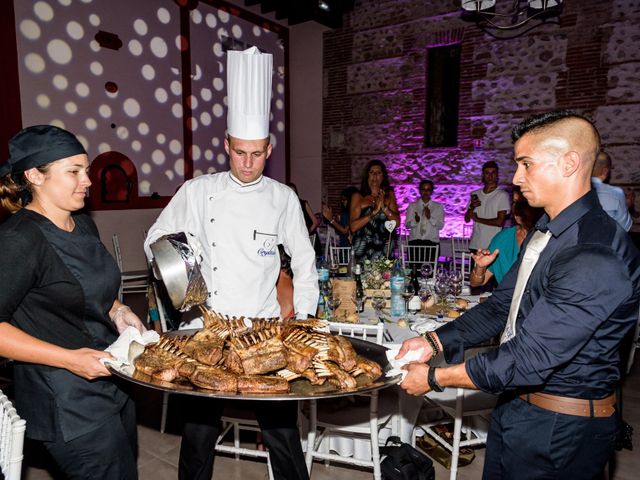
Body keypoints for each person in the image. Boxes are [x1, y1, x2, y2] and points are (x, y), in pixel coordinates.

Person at [397, 111, 640, 479]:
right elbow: (499, 307)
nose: (516, 178)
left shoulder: (594, 251)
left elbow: (531, 358)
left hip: (562, 427)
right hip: (517, 407)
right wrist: (432, 341)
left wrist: (434, 379)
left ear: (569, 163)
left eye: (526, 164)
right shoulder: (546, 231)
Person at [144, 47, 317, 480]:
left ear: (269, 148)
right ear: (225, 145)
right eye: (240, 152)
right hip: (206, 326)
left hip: (261, 329)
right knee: (199, 431)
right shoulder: (198, 191)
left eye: (257, 153)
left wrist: (305, 324)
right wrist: (189, 268)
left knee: (281, 429)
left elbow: (306, 261)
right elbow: (154, 240)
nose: (247, 163)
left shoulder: (283, 198)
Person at [0, 125, 145, 479]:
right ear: (35, 175)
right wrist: (70, 360)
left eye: (87, 169)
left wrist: (119, 311)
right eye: (74, 172)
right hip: (64, 397)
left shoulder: (82, 225)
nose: (89, 181)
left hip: (110, 377)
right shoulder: (19, 240)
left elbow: (92, 291)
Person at [470, 196, 544, 286]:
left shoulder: (547, 238)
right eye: (514, 202)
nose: (515, 206)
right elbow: (476, 283)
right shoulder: (504, 238)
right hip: (506, 298)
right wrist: (480, 268)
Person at [350, 160, 400, 263]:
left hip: (384, 248)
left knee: (384, 278)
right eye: (372, 172)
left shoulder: (389, 195)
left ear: (383, 176)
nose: (375, 176)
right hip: (364, 248)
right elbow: (353, 227)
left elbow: (397, 223)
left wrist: (384, 208)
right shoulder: (358, 197)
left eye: (378, 173)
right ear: (367, 175)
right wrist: (373, 212)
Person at [465, 160, 511, 251]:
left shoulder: (502, 195)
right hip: (475, 243)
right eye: (487, 173)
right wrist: (472, 207)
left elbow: (499, 222)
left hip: (493, 244)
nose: (490, 176)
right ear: (483, 175)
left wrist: (478, 219)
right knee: (473, 266)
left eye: (493, 172)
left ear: (497, 175)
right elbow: (466, 219)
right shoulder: (475, 194)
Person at [404, 179, 445, 263]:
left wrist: (430, 217)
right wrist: (415, 221)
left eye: (428, 189)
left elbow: (440, 226)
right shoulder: (412, 206)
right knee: (414, 270)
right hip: (415, 241)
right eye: (423, 189)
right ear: (419, 190)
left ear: (432, 191)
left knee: (430, 270)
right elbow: (407, 225)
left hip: (432, 242)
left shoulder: (438, 206)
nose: (426, 192)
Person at [591, 151, 632, 231]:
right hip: (606, 241)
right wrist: (626, 205)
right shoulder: (616, 193)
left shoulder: (573, 189)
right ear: (605, 171)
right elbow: (624, 227)